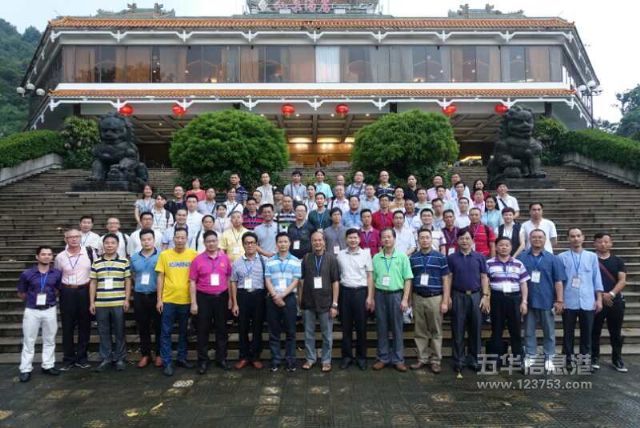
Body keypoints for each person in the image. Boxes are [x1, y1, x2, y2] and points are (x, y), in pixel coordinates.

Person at [518, 229, 565, 373]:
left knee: (549, 332)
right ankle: (530, 354)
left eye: (540, 237)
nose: (537, 239)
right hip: (528, 300)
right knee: (528, 330)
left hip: (546, 300)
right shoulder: (522, 257)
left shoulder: (553, 259)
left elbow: (558, 281)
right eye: (534, 237)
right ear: (529, 239)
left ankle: (549, 357)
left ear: (545, 240)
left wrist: (559, 300)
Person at [446, 228, 490, 375]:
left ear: (472, 240)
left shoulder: (480, 257)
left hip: (476, 296)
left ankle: (474, 359)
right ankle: (459, 360)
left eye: (467, 238)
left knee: (476, 329)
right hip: (458, 295)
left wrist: (485, 295)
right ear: (457, 241)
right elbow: (449, 278)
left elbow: (484, 277)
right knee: (458, 329)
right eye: (461, 238)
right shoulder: (452, 258)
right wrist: (448, 296)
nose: (464, 241)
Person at [558, 228, 603, 370]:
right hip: (568, 300)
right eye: (572, 236)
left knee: (587, 334)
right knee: (568, 333)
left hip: (588, 300)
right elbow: (559, 281)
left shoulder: (592, 256)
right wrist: (559, 300)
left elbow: (597, 278)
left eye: (578, 236)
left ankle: (585, 361)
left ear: (583, 238)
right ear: (568, 239)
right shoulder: (561, 257)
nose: (575, 239)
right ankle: (568, 359)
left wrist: (599, 299)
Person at [189, 230, 233, 373]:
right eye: (208, 241)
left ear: (217, 241)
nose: (211, 243)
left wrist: (230, 299)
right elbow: (192, 281)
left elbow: (229, 278)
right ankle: (203, 361)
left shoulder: (225, 258)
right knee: (203, 330)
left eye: (214, 241)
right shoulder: (197, 260)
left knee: (222, 329)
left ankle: (221, 359)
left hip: (221, 297)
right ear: (204, 243)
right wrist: (194, 302)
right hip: (203, 298)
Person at [156, 228, 198, 376]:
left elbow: (196, 278)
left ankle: (181, 358)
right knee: (166, 332)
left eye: (182, 237)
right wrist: (159, 299)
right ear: (173, 239)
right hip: (168, 300)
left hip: (186, 300)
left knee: (183, 331)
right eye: (177, 237)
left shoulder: (193, 254)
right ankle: (167, 362)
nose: (180, 240)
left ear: (187, 239)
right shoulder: (164, 255)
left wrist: (194, 300)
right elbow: (160, 277)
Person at [17, 246, 63, 382]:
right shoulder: (27, 274)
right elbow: (21, 293)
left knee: (49, 339)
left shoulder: (56, 273)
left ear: (52, 257)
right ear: (37, 257)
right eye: (43, 254)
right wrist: (32, 300)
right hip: (32, 310)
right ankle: (25, 368)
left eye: (49, 254)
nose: (46, 256)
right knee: (29, 340)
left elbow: (57, 290)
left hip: (49, 309)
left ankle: (48, 365)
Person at [371, 228, 413, 372]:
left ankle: (398, 359)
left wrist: (405, 299)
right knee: (381, 327)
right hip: (380, 295)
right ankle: (383, 358)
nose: (387, 239)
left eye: (389, 237)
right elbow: (373, 280)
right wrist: (372, 298)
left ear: (394, 239)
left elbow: (408, 279)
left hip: (396, 295)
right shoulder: (376, 257)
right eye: (384, 237)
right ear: (381, 240)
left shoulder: (402, 257)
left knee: (397, 328)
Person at [409, 229, 450, 373]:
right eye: (422, 238)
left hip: (435, 298)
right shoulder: (413, 258)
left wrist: (445, 301)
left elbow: (446, 280)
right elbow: (410, 280)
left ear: (431, 239)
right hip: (418, 297)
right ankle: (422, 358)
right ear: (418, 240)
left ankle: (436, 360)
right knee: (420, 330)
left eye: (427, 237)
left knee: (436, 330)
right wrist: (409, 299)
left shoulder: (440, 257)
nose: (425, 240)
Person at [89, 233, 132, 372]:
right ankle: (106, 358)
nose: (109, 245)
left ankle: (120, 358)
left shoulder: (124, 261)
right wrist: (92, 302)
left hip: (118, 302)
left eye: (113, 243)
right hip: (101, 303)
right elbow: (93, 282)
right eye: (107, 243)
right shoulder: (96, 262)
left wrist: (126, 299)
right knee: (103, 332)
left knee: (120, 331)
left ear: (117, 245)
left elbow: (128, 281)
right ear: (103, 245)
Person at [300, 232, 340, 372]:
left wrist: (334, 304)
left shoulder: (331, 258)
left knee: (326, 335)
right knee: (308, 333)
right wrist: (300, 300)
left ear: (324, 242)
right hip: (308, 302)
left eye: (319, 240)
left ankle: (326, 360)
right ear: (311, 242)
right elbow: (302, 280)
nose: (317, 243)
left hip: (326, 302)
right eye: (314, 240)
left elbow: (335, 282)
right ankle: (310, 358)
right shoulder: (306, 258)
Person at [54, 229, 93, 370]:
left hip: (84, 290)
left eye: (77, 236)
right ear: (65, 239)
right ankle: (68, 358)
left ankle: (82, 357)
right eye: (70, 237)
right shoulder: (60, 257)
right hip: (67, 291)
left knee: (85, 325)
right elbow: (57, 275)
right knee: (67, 325)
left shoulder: (89, 253)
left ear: (80, 238)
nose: (74, 239)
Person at [486, 237, 529, 363]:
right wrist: (486, 298)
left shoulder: (518, 263)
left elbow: (523, 284)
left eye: (506, 245)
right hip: (496, 298)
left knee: (515, 330)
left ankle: (518, 359)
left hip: (514, 299)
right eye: (501, 245)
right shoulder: (489, 263)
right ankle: (495, 359)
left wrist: (524, 301)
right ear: (496, 247)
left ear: (511, 248)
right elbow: (485, 282)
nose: (504, 247)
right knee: (496, 329)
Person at [337, 229, 374, 370]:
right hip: (345, 293)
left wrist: (370, 296)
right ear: (346, 239)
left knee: (361, 327)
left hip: (361, 293)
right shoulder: (340, 255)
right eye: (350, 238)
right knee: (345, 327)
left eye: (355, 238)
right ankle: (347, 357)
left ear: (359, 239)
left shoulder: (366, 254)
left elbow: (370, 276)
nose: (353, 240)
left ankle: (361, 357)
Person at [264, 233, 302, 372]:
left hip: (289, 298)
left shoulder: (296, 261)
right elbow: (267, 280)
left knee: (290, 332)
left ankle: (290, 361)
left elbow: (296, 281)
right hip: (272, 298)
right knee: (274, 332)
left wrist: (282, 295)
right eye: (280, 242)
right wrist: (275, 296)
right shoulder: (269, 261)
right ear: (276, 244)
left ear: (289, 243)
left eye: (285, 241)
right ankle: (275, 360)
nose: (283, 244)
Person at [231, 232, 267, 369]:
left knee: (257, 328)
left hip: (258, 296)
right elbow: (233, 282)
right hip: (243, 296)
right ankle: (244, 356)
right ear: (243, 245)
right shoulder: (237, 262)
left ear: (257, 244)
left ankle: (256, 356)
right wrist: (234, 303)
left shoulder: (264, 261)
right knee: (243, 327)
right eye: (247, 243)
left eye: (252, 243)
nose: (250, 245)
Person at [592, 232, 627, 372]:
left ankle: (617, 359)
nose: (603, 244)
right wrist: (601, 295)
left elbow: (622, 280)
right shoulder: (590, 259)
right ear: (594, 243)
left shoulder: (618, 261)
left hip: (615, 301)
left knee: (615, 332)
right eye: (600, 241)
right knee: (594, 331)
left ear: (611, 243)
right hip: (596, 300)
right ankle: (594, 357)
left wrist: (611, 294)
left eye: (606, 241)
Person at [130, 229, 162, 368]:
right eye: (144, 240)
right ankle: (146, 355)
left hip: (156, 295)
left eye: (149, 239)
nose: (146, 242)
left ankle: (159, 354)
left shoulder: (161, 256)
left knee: (159, 326)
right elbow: (132, 274)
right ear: (140, 241)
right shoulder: (134, 257)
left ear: (154, 240)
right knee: (143, 326)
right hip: (140, 295)